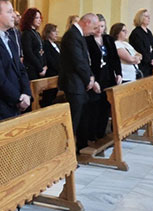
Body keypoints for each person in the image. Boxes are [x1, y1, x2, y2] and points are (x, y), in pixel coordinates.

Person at [59, 13, 98, 152]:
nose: (94, 31)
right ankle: (67, 153)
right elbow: (77, 61)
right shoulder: (72, 35)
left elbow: (85, 60)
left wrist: (91, 77)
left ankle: (78, 149)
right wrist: (88, 79)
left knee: (80, 119)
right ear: (87, 22)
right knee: (72, 122)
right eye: (93, 27)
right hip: (73, 84)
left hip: (79, 83)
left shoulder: (78, 34)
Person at [83, 15, 121, 140]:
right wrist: (92, 80)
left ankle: (101, 133)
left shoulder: (108, 39)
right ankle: (91, 135)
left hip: (108, 77)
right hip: (95, 78)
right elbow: (86, 62)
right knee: (94, 107)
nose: (99, 29)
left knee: (105, 106)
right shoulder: (87, 40)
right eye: (97, 26)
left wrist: (119, 74)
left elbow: (115, 59)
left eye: (102, 26)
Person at [128, 8, 153, 77]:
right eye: (146, 16)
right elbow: (140, 50)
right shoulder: (136, 33)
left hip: (150, 64)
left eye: (149, 16)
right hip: (142, 65)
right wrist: (151, 61)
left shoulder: (148, 32)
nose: (149, 18)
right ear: (140, 18)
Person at [21, 8, 47, 80]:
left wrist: (44, 65)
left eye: (40, 18)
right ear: (30, 19)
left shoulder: (37, 33)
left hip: (40, 68)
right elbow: (29, 53)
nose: (40, 20)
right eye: (37, 18)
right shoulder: (26, 34)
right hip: (31, 69)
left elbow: (42, 50)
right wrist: (40, 68)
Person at [41, 23, 60, 106]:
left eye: (57, 32)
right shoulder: (46, 44)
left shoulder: (57, 45)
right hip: (51, 73)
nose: (57, 34)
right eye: (55, 32)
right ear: (48, 33)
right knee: (48, 97)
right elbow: (50, 60)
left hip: (57, 73)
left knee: (53, 96)